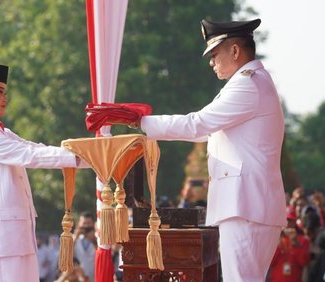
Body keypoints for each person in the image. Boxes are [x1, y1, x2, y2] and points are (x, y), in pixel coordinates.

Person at [110, 18, 287, 281]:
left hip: (245, 205)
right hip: (250, 204)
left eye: (215, 54)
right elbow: (204, 130)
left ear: (235, 51)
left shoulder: (246, 84)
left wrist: (140, 121)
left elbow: (198, 124)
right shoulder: (253, 82)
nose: (211, 62)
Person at [0, 63, 87, 281]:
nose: (5, 97)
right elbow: (28, 155)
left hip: (16, 237)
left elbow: (36, 148)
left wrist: (93, 156)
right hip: (2, 241)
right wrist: (83, 157)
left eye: (5, 92)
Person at [268, 212, 310, 282]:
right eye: (285, 220)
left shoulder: (303, 240)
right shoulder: (274, 238)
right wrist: (278, 241)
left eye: (290, 220)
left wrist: (295, 243)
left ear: (294, 222)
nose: (287, 223)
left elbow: (303, 262)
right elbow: (270, 263)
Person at [73, 212, 96, 282]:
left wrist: (94, 240)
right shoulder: (74, 239)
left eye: (88, 223)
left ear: (93, 224)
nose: (86, 226)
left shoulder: (98, 239)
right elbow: (68, 256)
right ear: (79, 224)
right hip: (78, 278)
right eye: (84, 223)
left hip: (95, 278)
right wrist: (75, 238)